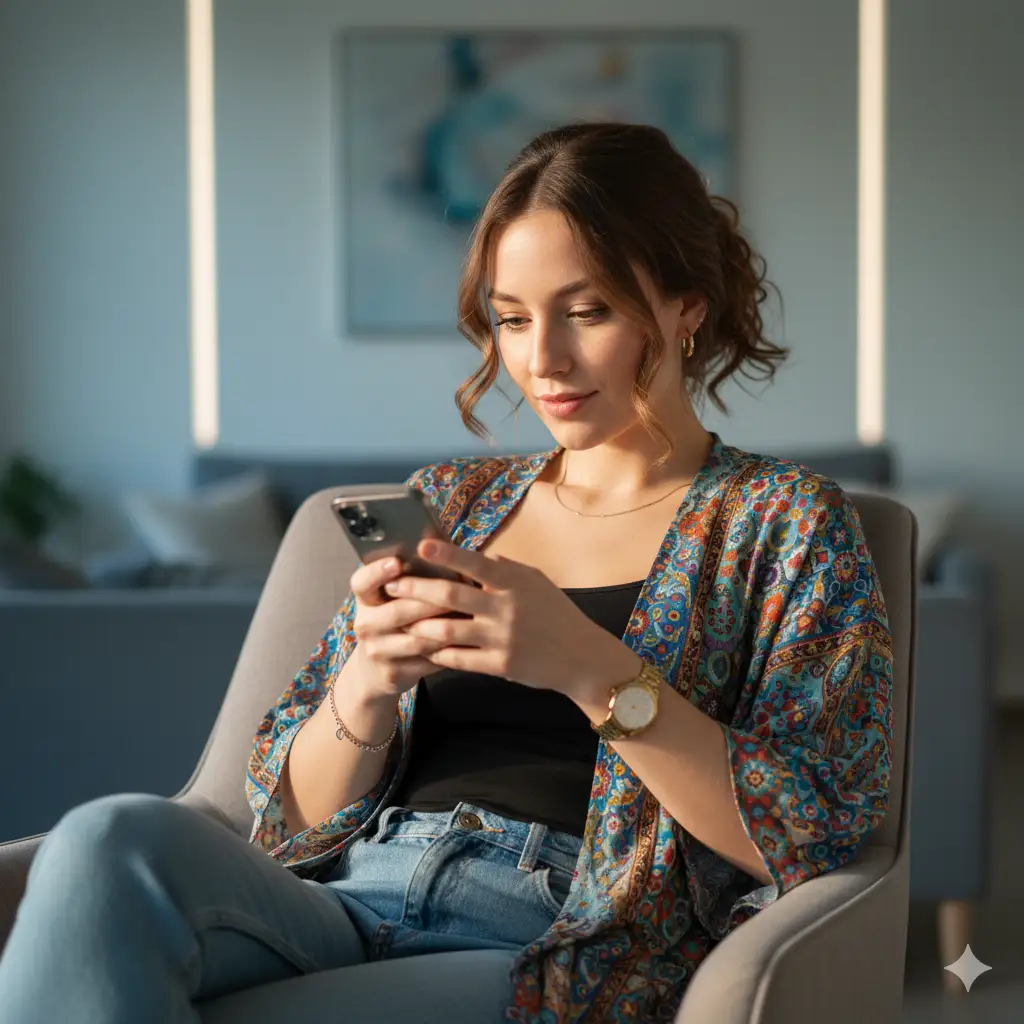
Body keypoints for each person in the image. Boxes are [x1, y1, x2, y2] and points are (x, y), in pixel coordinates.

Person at [0, 122, 894, 1023]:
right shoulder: (454, 502)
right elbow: (290, 824)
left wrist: (589, 668)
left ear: (685, 307)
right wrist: (366, 686)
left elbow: (809, 833)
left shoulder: (784, 523)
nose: (541, 360)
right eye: (512, 319)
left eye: (587, 313)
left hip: (548, 933)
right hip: (345, 897)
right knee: (104, 840)